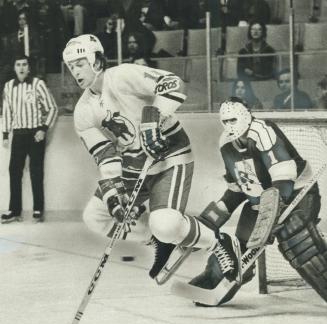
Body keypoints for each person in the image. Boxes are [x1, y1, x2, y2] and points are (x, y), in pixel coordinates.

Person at [62, 34, 241, 282]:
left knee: (166, 224)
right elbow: (105, 156)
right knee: (96, 216)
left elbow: (173, 83)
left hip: (170, 156)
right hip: (134, 166)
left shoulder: (122, 76)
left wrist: (152, 118)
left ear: (96, 60)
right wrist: (115, 196)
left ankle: (218, 243)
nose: (75, 72)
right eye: (71, 67)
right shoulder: (83, 111)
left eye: (80, 63)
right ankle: (157, 239)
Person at [186, 97, 327, 304]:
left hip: (298, 194)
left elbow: (284, 176)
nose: (229, 126)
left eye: (233, 119)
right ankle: (213, 278)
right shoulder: (226, 143)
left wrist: (273, 213)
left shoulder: (263, 131)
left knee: (295, 236)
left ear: (246, 115)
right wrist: (210, 221)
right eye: (225, 121)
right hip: (262, 201)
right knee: (237, 245)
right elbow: (238, 189)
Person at [1, 55, 58, 223]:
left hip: (35, 135)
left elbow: (53, 108)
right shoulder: (9, 86)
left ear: (29, 67)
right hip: (18, 135)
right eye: (18, 65)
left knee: (36, 172)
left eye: (24, 64)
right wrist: (5, 134)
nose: (21, 68)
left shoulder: (37, 84)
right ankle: (14, 210)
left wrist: (43, 128)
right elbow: (7, 111)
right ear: (14, 67)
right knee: (14, 172)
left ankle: (38, 209)